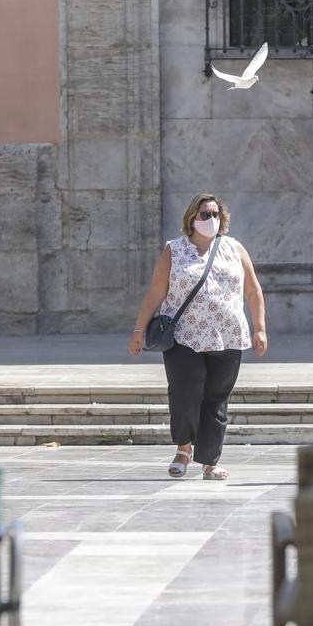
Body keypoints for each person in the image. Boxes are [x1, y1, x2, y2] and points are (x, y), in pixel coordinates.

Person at [129, 193, 268, 480]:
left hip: (227, 336)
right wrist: (139, 329)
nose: (212, 220)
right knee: (185, 394)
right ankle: (183, 449)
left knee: (216, 399)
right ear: (192, 218)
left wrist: (260, 328)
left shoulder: (235, 248)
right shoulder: (174, 250)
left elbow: (253, 290)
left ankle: (210, 461)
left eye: (216, 214)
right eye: (205, 214)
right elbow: (157, 291)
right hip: (184, 337)